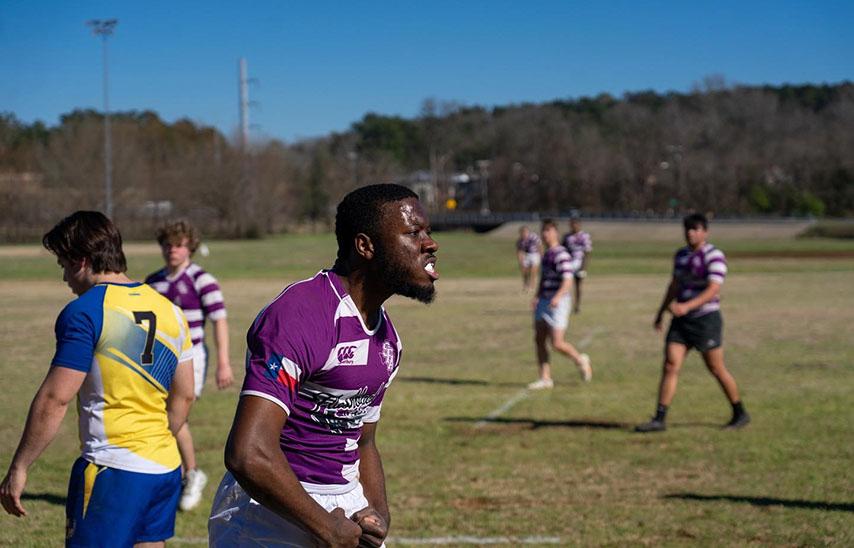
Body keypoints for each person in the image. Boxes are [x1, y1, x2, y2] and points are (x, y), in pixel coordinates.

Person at [208, 184, 439, 547]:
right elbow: (248, 453)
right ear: (365, 246)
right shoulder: (301, 315)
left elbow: (364, 442)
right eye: (413, 233)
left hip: (346, 508)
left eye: (427, 231)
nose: (430, 243)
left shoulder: (388, 338)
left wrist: (377, 511)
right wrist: (324, 525)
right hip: (269, 512)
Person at [0, 211, 195, 547]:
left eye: (63, 265)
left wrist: (19, 467)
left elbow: (55, 399)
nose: (64, 278)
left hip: (112, 470)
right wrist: (154, 442)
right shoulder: (170, 311)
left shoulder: (85, 312)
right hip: (164, 467)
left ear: (81, 261)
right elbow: (186, 395)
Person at [145, 220, 233, 511]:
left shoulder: (202, 280)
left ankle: (190, 475)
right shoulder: (153, 282)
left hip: (192, 355)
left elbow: (219, 320)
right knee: (162, 415)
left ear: (190, 248)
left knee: (176, 414)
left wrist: (223, 363)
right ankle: (181, 475)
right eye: (168, 244)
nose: (173, 250)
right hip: (159, 357)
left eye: (179, 245)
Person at [635, 213, 750, 432]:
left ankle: (739, 412)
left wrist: (687, 306)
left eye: (695, 229)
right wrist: (660, 312)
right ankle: (659, 418)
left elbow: (714, 289)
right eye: (687, 229)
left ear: (705, 232)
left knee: (715, 367)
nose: (690, 233)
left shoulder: (714, 255)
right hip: (681, 320)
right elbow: (675, 285)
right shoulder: (680, 256)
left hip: (706, 319)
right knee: (670, 365)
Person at [528, 219, 592, 390]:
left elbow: (568, 280)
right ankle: (545, 378)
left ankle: (580, 360)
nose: (545, 234)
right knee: (539, 338)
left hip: (558, 302)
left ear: (555, 232)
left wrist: (557, 297)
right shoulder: (547, 255)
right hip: (543, 300)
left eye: (548, 231)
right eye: (543, 231)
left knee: (557, 343)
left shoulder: (561, 254)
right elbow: (544, 278)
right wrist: (537, 296)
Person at [562, 217, 592, 314]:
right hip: (568, 264)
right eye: (571, 224)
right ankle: (565, 305)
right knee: (565, 285)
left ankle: (577, 306)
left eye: (575, 224)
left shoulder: (584, 236)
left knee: (578, 286)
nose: (573, 226)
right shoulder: (567, 237)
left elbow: (587, 253)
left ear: (579, 225)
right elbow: (562, 250)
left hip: (579, 263)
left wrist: (584, 268)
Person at [515, 225, 542, 291]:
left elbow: (539, 246)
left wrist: (541, 255)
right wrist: (520, 261)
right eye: (522, 233)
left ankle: (532, 286)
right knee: (525, 271)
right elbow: (519, 251)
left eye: (525, 232)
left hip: (535, 254)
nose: (524, 234)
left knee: (533, 270)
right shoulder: (520, 241)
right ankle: (526, 284)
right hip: (526, 255)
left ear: (528, 232)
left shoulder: (533, 237)